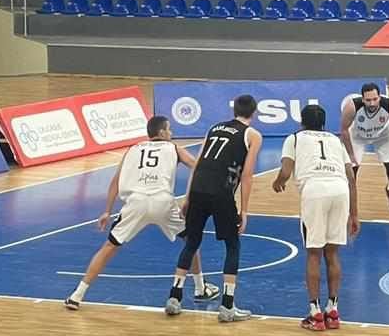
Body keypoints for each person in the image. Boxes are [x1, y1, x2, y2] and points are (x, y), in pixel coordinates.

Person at [64, 116, 218, 310]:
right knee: (191, 241)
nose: (171, 133)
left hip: (135, 203)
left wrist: (107, 211)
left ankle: (77, 295)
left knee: (109, 247)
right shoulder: (174, 148)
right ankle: (200, 288)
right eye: (169, 129)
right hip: (162, 201)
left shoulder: (132, 150)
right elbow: (198, 168)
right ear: (162, 133)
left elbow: (115, 182)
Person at [166, 95, 263, 323]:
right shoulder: (253, 135)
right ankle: (227, 306)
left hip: (198, 189)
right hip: (221, 191)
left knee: (192, 242)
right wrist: (245, 211)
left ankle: (174, 297)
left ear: (234, 110)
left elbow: (198, 164)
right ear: (254, 112)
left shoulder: (214, 128)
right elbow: (247, 175)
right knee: (232, 244)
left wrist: (187, 197)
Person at [272, 104, 360, 332]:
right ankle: (333, 310)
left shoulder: (294, 138)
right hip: (340, 190)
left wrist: (278, 182)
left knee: (313, 253)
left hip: (315, 190)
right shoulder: (336, 140)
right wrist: (354, 214)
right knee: (332, 253)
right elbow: (351, 177)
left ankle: (315, 314)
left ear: (302, 122)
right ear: (323, 122)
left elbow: (286, 171)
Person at [339, 82, 389, 211]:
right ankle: (347, 200)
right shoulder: (352, 107)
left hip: (383, 136)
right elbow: (344, 130)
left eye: (375, 99)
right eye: (368, 100)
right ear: (362, 99)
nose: (372, 103)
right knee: (351, 170)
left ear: (380, 97)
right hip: (358, 137)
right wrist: (350, 154)